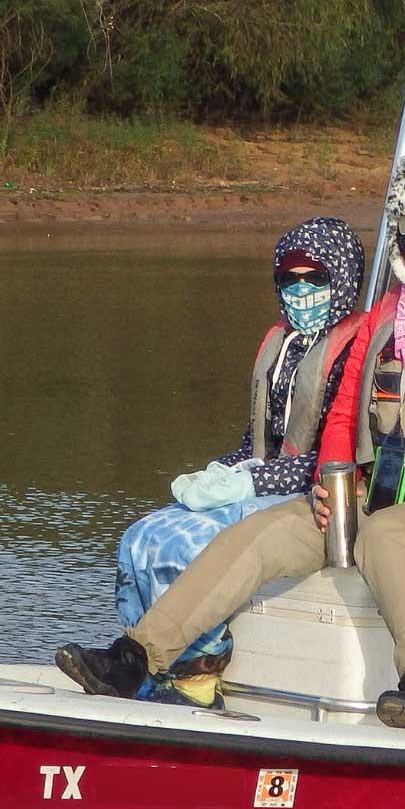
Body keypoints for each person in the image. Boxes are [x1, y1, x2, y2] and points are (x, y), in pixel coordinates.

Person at [57, 150, 405, 731]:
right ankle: (136, 658)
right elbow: (342, 416)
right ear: (401, 247)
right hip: (378, 494)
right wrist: (331, 485)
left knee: (388, 537)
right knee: (258, 532)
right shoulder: (385, 318)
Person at [100, 217, 365, 706]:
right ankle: (139, 666)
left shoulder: (357, 350)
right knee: (141, 536)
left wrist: (248, 484)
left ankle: (196, 676)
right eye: (290, 278)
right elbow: (256, 439)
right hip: (262, 481)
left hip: (305, 492)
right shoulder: (280, 347)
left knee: (188, 543)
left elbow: (334, 455)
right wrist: (218, 472)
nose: (301, 290)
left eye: (316, 278)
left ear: (343, 278)